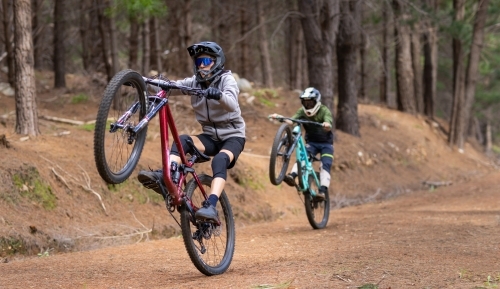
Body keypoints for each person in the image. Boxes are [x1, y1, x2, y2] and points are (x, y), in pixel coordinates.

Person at [138, 41, 245, 222]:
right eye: (198, 62)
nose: (202, 66)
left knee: (220, 160)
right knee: (183, 140)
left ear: (217, 62)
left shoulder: (227, 79)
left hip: (233, 136)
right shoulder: (195, 82)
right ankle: (169, 176)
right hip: (210, 136)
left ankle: (211, 206)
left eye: (206, 61)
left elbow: (232, 103)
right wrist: (139, 81)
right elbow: (170, 86)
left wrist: (217, 94)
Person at [268, 87, 333, 200]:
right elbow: (292, 121)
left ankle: (322, 191)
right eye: (305, 102)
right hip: (311, 143)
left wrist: (326, 124)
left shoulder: (324, 110)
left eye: (310, 102)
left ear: (317, 102)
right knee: (303, 158)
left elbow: (328, 123)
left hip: (326, 144)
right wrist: (280, 118)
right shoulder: (302, 111)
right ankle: (292, 176)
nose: (308, 105)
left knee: (325, 165)